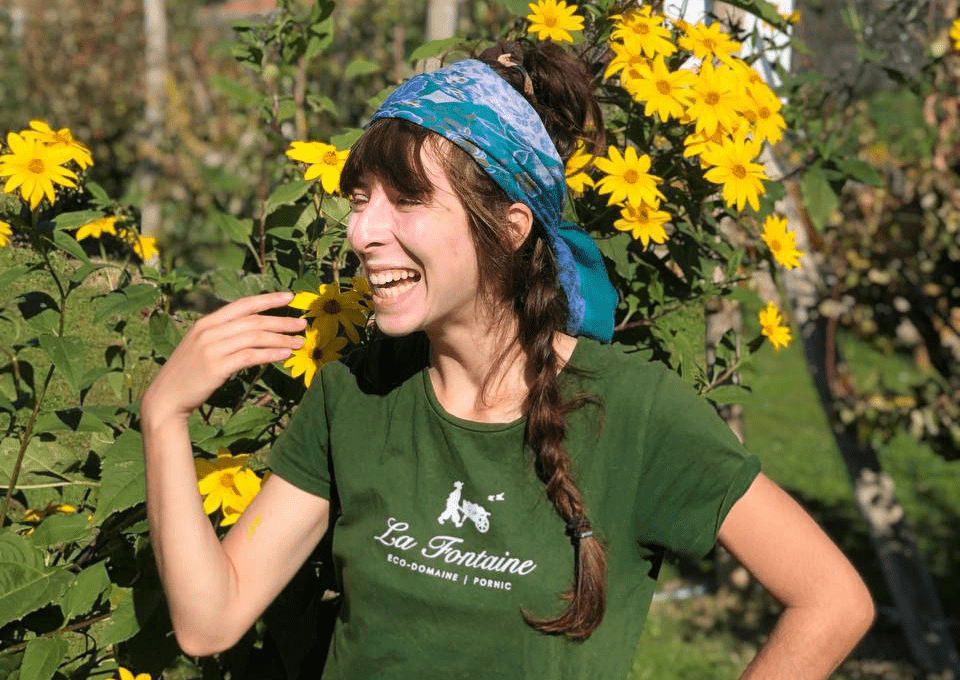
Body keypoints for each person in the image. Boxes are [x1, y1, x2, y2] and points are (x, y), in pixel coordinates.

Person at [141, 40, 875, 679]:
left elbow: (832, 601)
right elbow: (211, 621)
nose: (362, 231)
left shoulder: (634, 411)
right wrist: (165, 416)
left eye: (406, 200)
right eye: (360, 199)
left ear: (511, 226)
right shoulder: (354, 394)